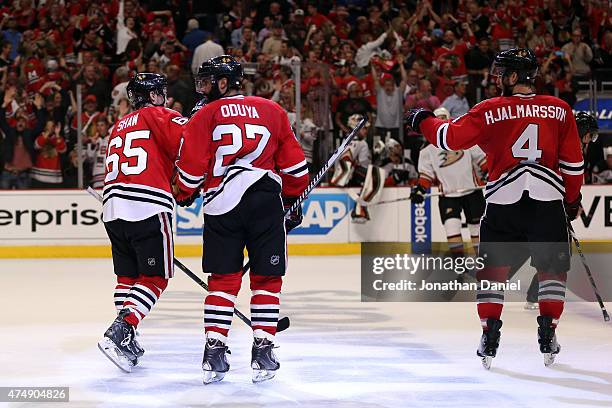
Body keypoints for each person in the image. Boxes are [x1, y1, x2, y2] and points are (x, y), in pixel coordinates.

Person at [405, 48, 584, 368]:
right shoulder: (560, 109)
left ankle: (489, 333)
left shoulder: (489, 109)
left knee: (492, 274)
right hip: (547, 200)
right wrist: (570, 202)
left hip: (504, 201)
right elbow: (573, 165)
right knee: (552, 271)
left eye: (502, 73)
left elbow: (449, 138)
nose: (497, 79)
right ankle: (548, 332)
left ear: (514, 77)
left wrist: (424, 120)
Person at [172, 55, 308, 384]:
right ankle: (263, 348)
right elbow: (297, 170)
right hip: (265, 202)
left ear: (223, 83)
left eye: (207, 82)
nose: (202, 89)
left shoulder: (204, 114)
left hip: (222, 206)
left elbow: (190, 170)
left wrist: (184, 193)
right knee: (266, 279)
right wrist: (291, 201)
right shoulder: (273, 110)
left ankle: (214, 351)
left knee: (223, 280)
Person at [97, 73, 188, 373]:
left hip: (113, 207)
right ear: (151, 96)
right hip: (147, 203)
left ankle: (126, 335)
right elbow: (188, 142)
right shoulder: (159, 114)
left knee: (128, 277)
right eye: (160, 93)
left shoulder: (118, 125)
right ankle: (123, 328)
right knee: (155, 278)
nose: (164, 98)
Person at [410, 107, 487, 263]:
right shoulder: (426, 151)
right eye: (439, 119)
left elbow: (482, 160)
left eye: (445, 118)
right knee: (452, 229)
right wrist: (420, 189)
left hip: (472, 192)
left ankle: (483, 264)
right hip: (448, 195)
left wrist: (489, 172)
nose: (442, 122)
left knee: (477, 230)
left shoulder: (465, 138)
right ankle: (459, 266)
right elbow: (426, 175)